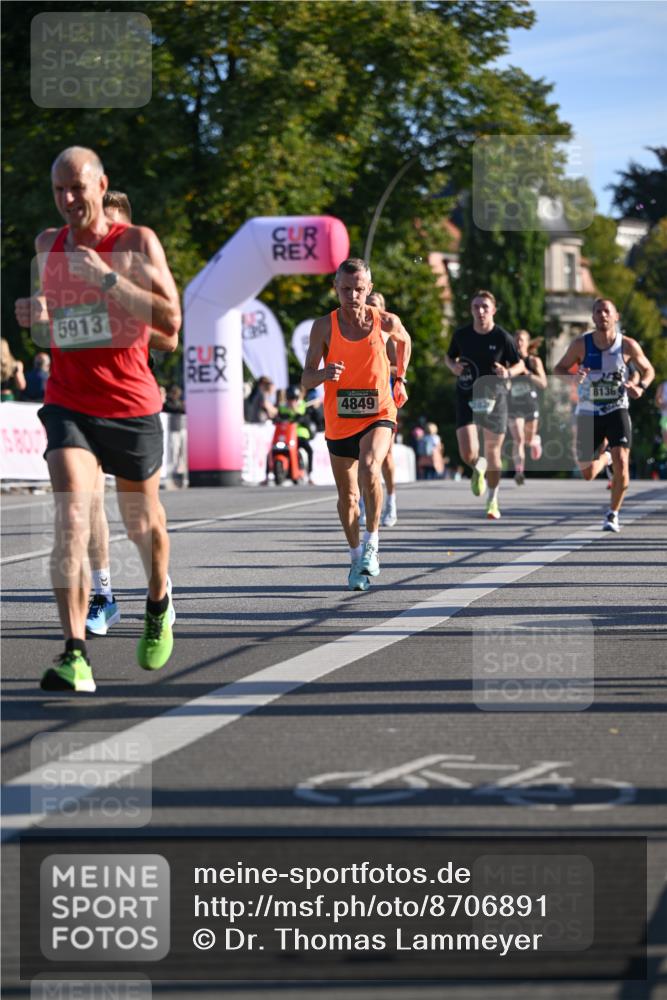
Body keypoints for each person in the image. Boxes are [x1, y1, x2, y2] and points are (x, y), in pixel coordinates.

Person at [14, 146, 181, 692]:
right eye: (58, 190)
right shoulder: (47, 246)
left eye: (77, 188)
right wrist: (36, 316)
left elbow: (171, 322)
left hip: (130, 404)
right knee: (71, 515)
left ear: (101, 185)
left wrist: (108, 279)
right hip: (70, 401)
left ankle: (157, 601)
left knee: (142, 527)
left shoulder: (137, 243)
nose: (67, 199)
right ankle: (75, 655)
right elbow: (52, 328)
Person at [302, 258, 410, 591]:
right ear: (336, 288)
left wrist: (400, 379)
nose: (353, 296)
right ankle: (355, 558)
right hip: (340, 420)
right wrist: (324, 373)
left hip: (379, 412)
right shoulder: (324, 327)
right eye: (346, 289)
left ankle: (372, 542)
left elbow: (405, 341)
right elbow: (306, 379)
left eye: (359, 289)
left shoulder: (385, 321)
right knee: (348, 497)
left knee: (370, 467)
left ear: (369, 289)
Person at [554, 298, 654, 532]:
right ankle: (606, 458)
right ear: (593, 317)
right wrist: (573, 377)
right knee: (588, 473)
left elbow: (648, 369)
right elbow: (558, 369)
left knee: (623, 462)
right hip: (588, 411)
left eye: (607, 311)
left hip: (616, 408)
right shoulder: (581, 344)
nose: (602, 315)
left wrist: (641, 387)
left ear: (616, 316)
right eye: (598, 312)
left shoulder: (627, 345)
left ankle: (612, 513)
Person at [445, 290, 524, 519]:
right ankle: (477, 466)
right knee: (468, 453)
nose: (480, 311)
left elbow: (519, 365)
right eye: (476, 307)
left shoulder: (502, 337)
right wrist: (453, 367)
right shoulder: (461, 335)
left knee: (493, 451)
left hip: (494, 398)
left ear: (493, 310)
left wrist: (507, 372)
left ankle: (492, 499)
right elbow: (449, 357)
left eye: (485, 307)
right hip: (467, 396)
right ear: (471, 310)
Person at [507, 330, 548, 485]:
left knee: (528, 440)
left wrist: (527, 373)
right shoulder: (508, 361)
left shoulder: (534, 361)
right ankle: (519, 472)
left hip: (530, 404)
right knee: (518, 439)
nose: (519, 343)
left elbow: (543, 383)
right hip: (513, 404)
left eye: (522, 340)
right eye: (516, 339)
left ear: (527, 342)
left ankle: (535, 441)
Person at [276, 384, 315, 482]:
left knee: (309, 450)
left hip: (300, 435)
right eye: (289, 399)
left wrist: (295, 410)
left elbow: (304, 418)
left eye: (293, 399)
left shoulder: (302, 405)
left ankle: (310, 474)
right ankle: (267, 475)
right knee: (271, 451)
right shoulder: (282, 407)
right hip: (286, 436)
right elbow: (278, 417)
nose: (291, 401)